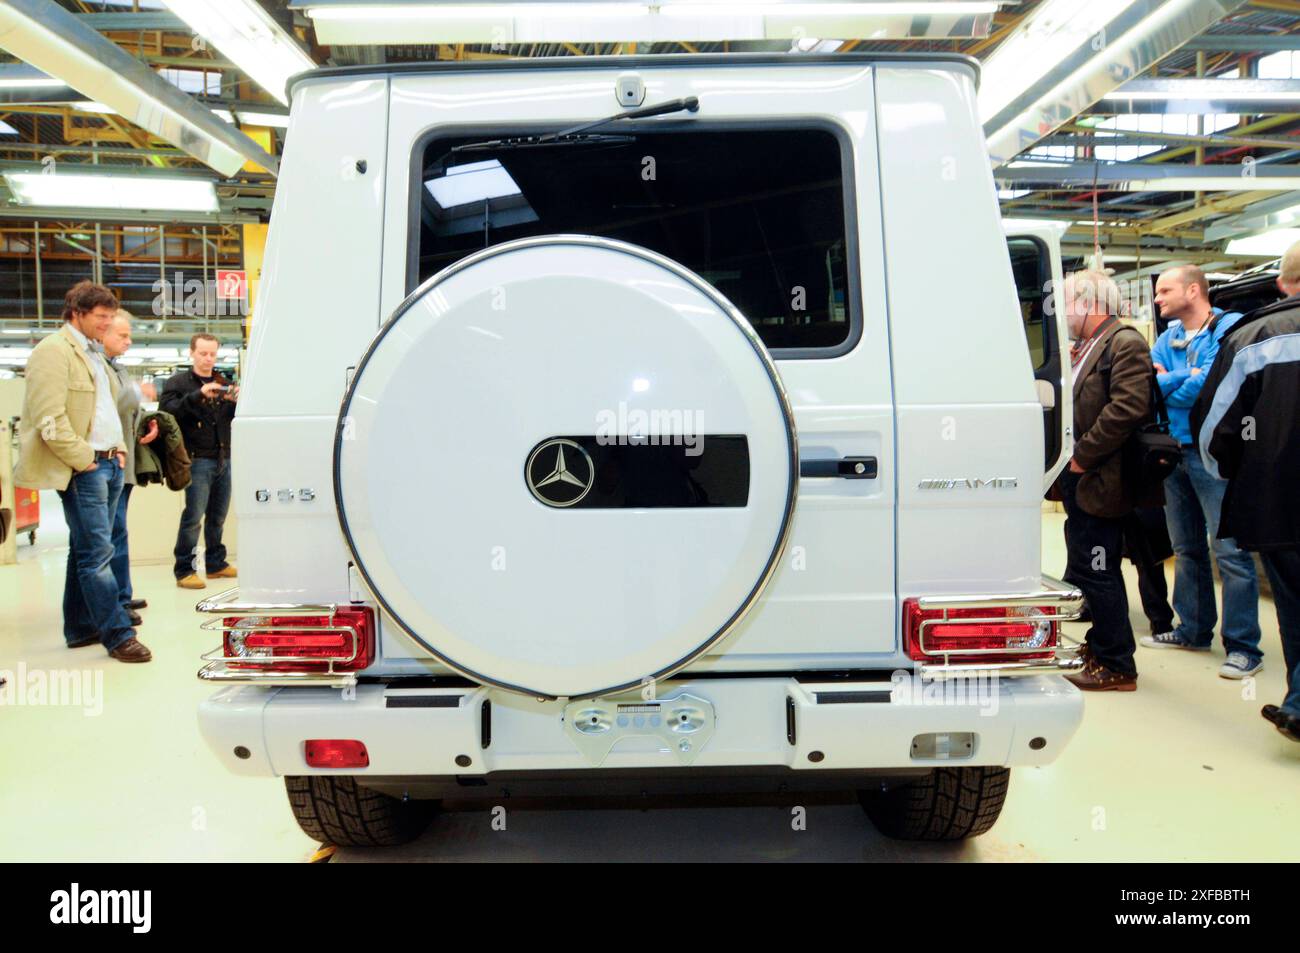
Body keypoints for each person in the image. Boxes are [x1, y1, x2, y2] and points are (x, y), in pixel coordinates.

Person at [1193, 241, 1300, 742]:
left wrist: (1235, 474)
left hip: (1280, 505)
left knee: (1294, 603)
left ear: (1283, 282)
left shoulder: (1254, 338)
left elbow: (1216, 431)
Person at [14, 282, 151, 662]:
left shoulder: (93, 354)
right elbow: (48, 418)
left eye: (111, 318)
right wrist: (83, 459)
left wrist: (119, 449)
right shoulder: (53, 352)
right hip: (84, 467)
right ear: (76, 313)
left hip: (107, 462)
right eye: (101, 318)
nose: (108, 325)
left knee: (84, 551)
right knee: (97, 554)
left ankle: (79, 628)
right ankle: (118, 634)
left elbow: (106, 410)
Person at [1144, 265, 1262, 679]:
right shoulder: (1165, 338)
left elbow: (1211, 386)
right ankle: (1192, 630)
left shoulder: (1227, 329)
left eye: (1165, 290)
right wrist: (1184, 377)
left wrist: (1176, 381)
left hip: (1212, 453)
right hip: (1173, 454)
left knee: (1230, 551)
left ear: (1193, 290)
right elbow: (1152, 388)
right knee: (1186, 549)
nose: (1158, 299)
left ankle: (1244, 647)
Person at [1052, 269, 1156, 691]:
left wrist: (1082, 457)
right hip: (1083, 479)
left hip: (1101, 478)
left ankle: (1117, 665)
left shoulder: (1125, 343)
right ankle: (1101, 646)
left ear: (1085, 302)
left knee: (1099, 569)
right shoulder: (1086, 347)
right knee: (1088, 565)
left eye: (1064, 303)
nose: (1060, 313)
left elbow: (1127, 409)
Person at [160, 332, 237, 589]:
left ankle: (216, 563)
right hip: (196, 460)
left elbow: (232, 419)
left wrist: (235, 402)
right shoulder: (178, 383)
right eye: (203, 353)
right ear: (191, 352)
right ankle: (185, 569)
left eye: (212, 354)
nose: (208, 358)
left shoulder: (223, 382)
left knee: (218, 516)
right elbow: (167, 413)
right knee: (193, 517)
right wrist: (199, 394)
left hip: (224, 458)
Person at [101, 310, 159, 624]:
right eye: (122, 335)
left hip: (124, 463)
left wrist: (145, 423)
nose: (128, 340)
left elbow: (123, 414)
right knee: (110, 534)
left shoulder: (118, 369)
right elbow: (108, 406)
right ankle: (114, 602)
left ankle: (122, 595)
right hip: (108, 463)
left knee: (119, 533)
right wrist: (137, 392)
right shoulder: (99, 369)